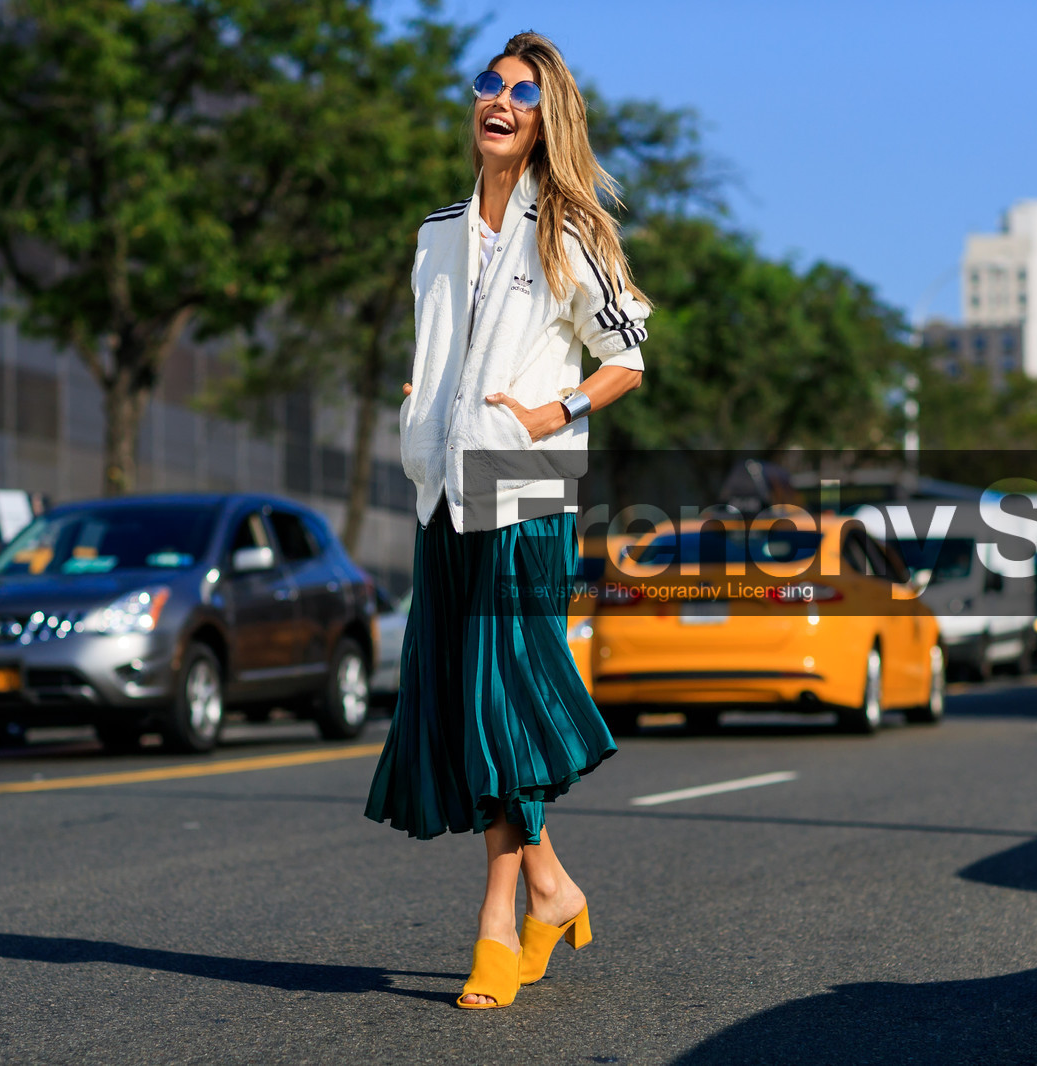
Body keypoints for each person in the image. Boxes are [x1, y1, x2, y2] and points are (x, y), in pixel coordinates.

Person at [363, 31, 651, 1009]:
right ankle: (553, 887)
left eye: (521, 93)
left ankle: (497, 924)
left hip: (522, 493)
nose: (498, 100)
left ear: (543, 121)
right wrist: (423, 395)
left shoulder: (568, 229)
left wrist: (549, 410)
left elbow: (626, 356)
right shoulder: (436, 232)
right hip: (443, 490)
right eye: (489, 84)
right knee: (462, 700)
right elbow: (438, 344)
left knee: (499, 702)